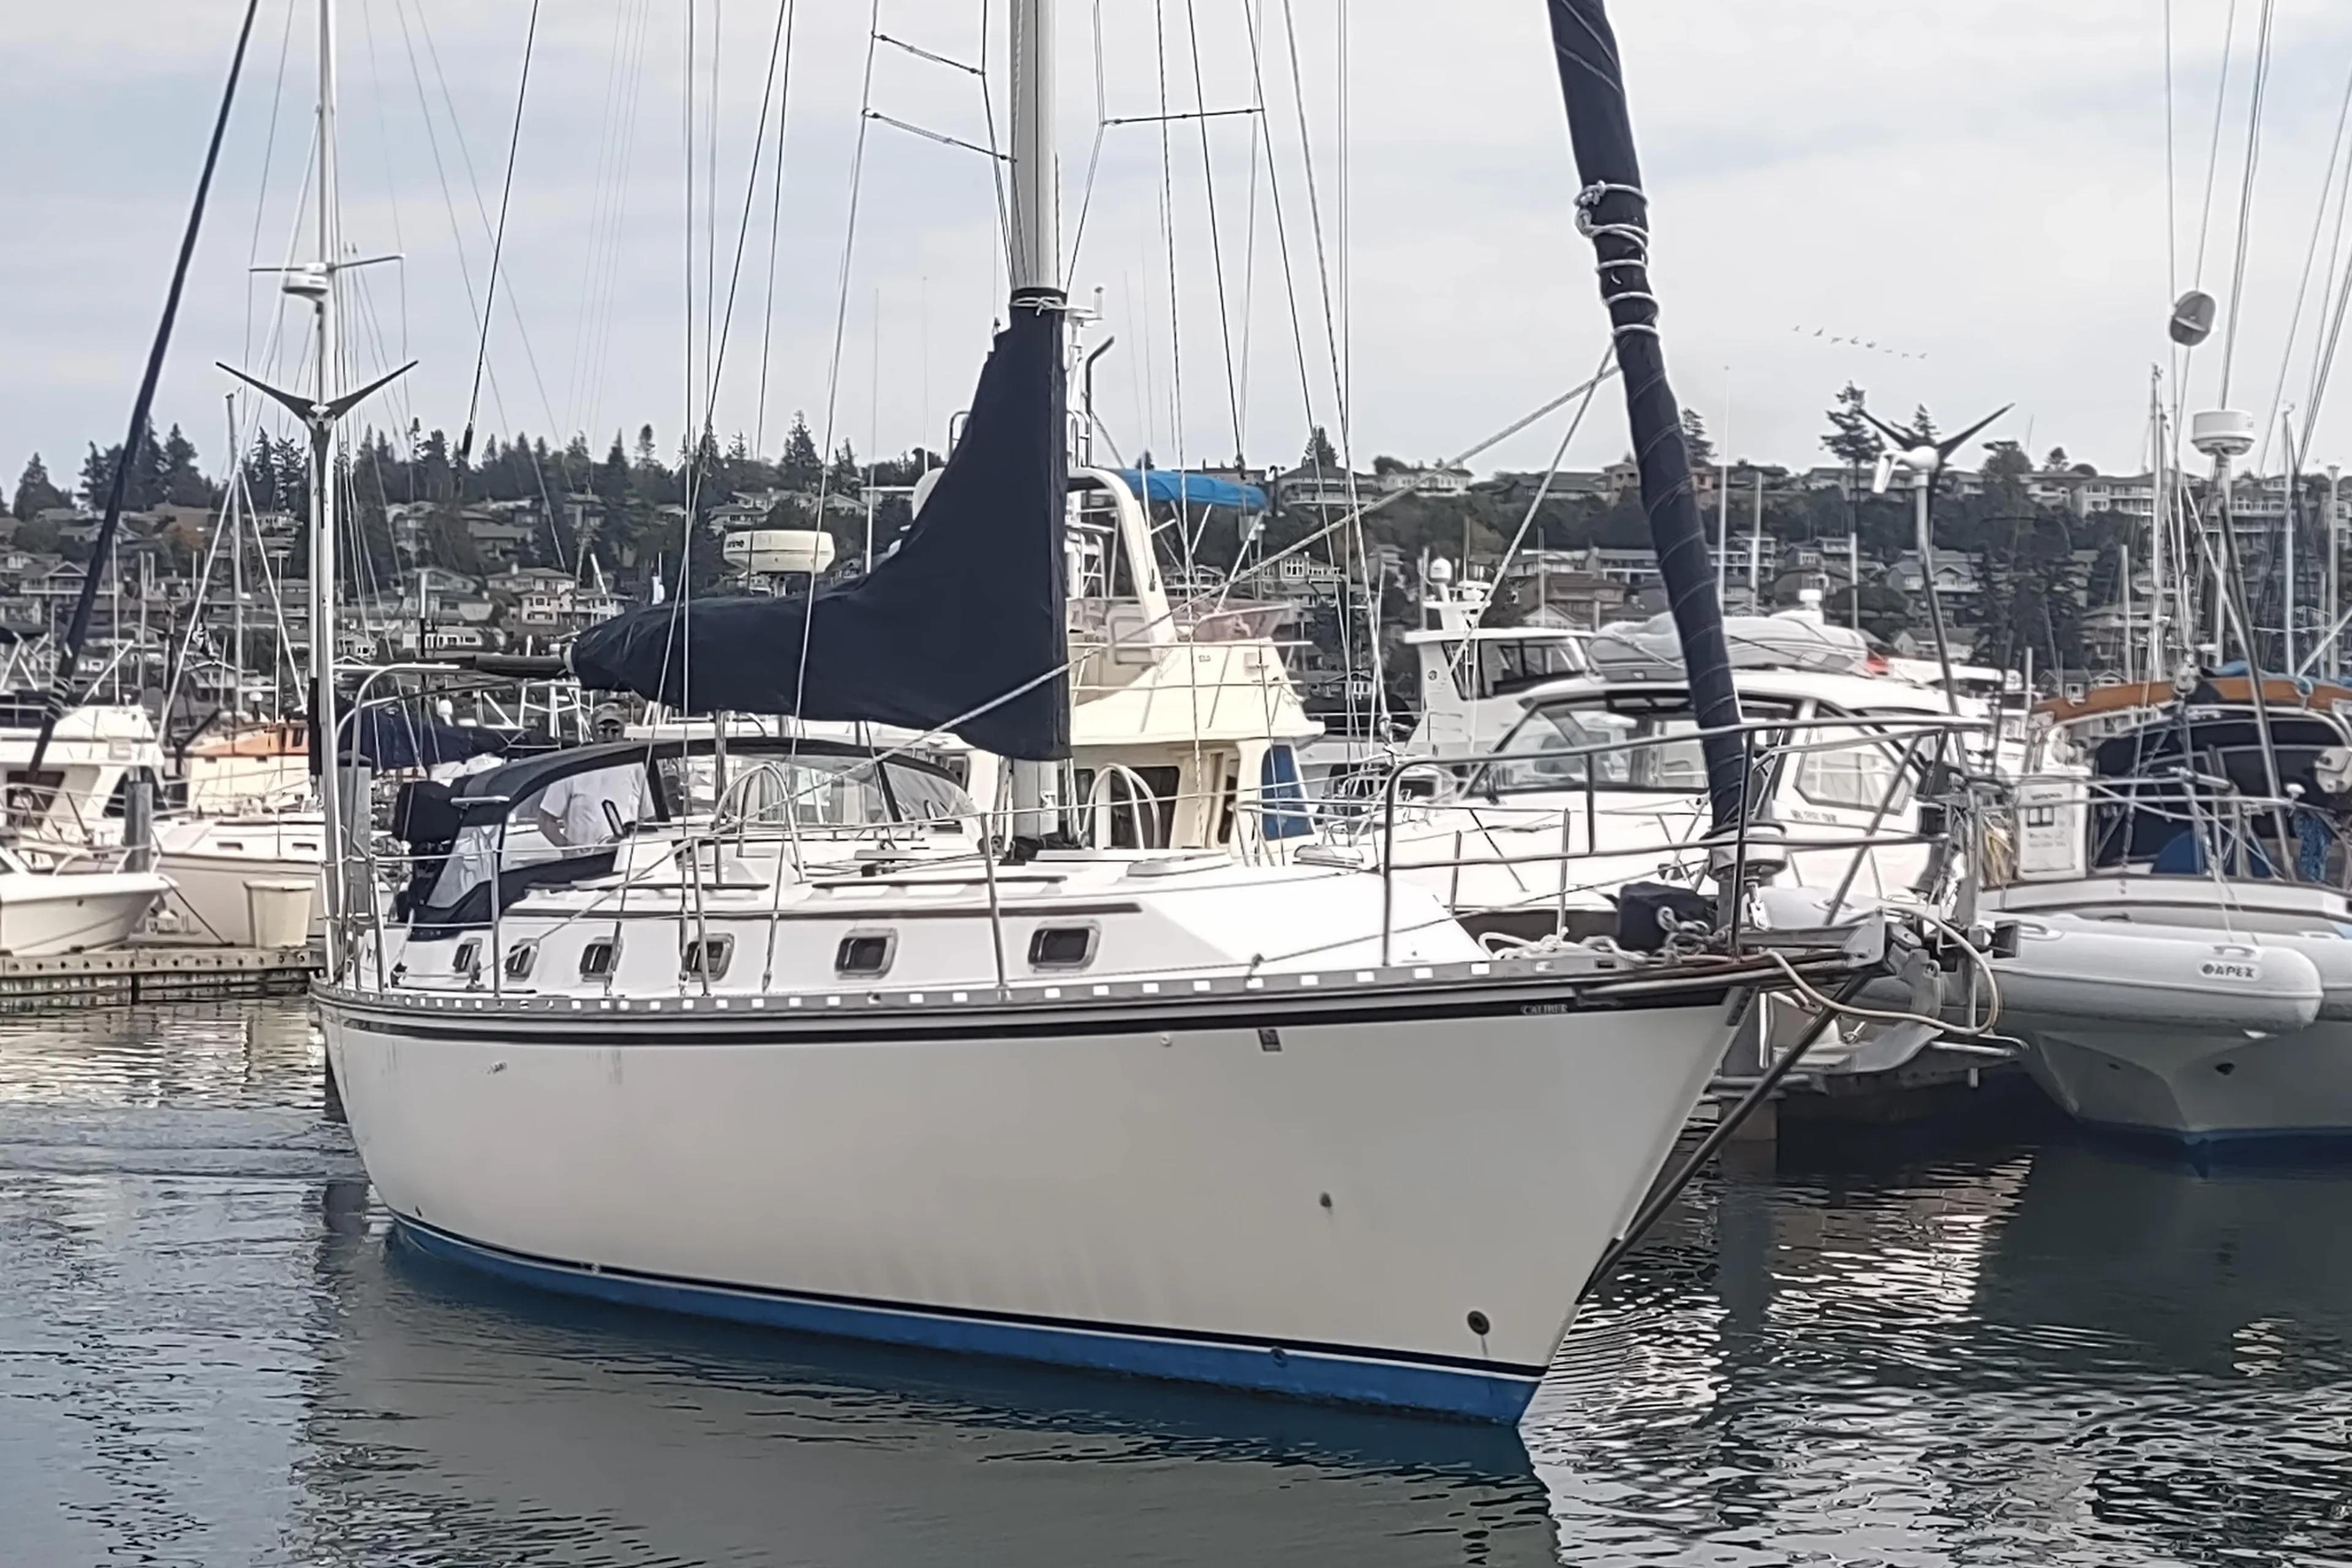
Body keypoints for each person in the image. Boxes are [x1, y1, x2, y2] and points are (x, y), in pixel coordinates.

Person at [535, 707, 651, 848]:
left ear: (623, 732)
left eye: (615, 731)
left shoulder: (636, 767)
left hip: (625, 857)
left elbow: (650, 817)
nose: (609, 736)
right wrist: (568, 849)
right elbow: (545, 820)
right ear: (592, 732)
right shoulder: (573, 766)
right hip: (586, 862)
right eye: (602, 730)